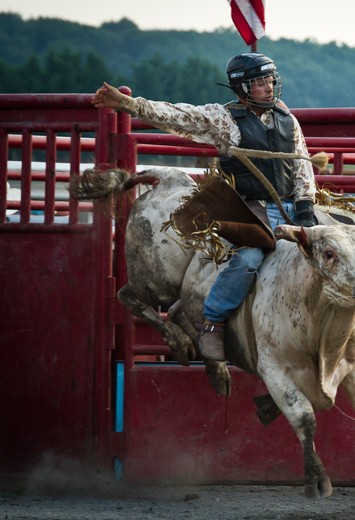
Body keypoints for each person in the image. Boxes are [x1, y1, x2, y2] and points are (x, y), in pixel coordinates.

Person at [91, 52, 317, 362]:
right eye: (260, 82)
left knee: (334, 244)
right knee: (249, 257)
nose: (269, 86)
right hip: (247, 209)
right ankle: (213, 323)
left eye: (270, 80)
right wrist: (129, 104)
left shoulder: (287, 118)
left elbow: (303, 167)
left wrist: (306, 206)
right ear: (242, 89)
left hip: (292, 206)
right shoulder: (224, 119)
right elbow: (177, 115)